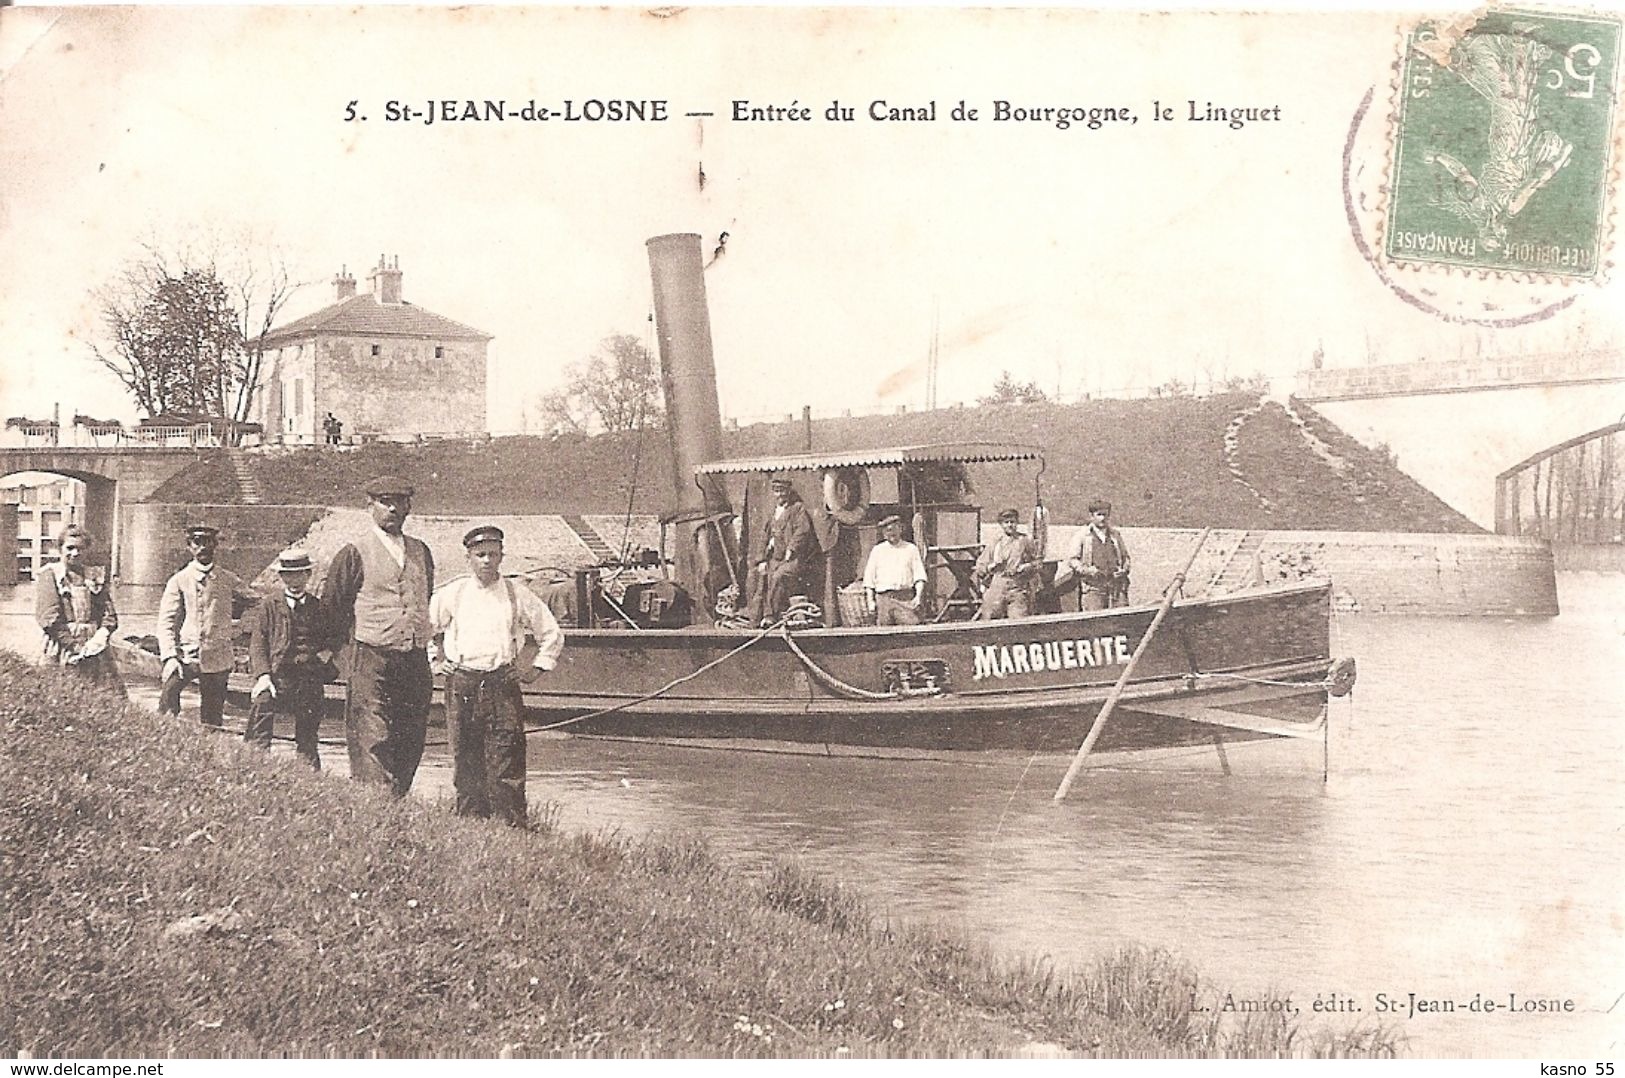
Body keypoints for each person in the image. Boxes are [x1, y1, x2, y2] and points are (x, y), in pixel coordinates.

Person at [429, 525, 565, 827]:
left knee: (508, 756)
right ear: (468, 558)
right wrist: (436, 661)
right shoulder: (454, 593)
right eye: (480, 555)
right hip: (462, 682)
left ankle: (511, 825)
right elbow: (424, 627)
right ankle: (469, 824)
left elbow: (551, 632)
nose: (487, 561)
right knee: (465, 757)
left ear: (502, 556)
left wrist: (536, 669)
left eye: (493, 554)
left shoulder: (518, 594)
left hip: (502, 682)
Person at [323, 475, 435, 796]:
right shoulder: (353, 553)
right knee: (372, 735)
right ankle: (374, 805)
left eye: (399, 502)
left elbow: (426, 597)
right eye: (385, 502)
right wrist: (341, 655)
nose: (392, 508)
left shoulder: (421, 552)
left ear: (409, 507)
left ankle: (396, 801)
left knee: (411, 735)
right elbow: (333, 607)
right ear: (369, 506)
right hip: (371, 658)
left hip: (414, 658)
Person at [158, 525, 259, 726]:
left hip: (218, 655)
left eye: (208, 542)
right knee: (167, 700)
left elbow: (257, 602)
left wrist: (239, 628)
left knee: (213, 716)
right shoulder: (179, 580)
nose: (203, 547)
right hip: (186, 655)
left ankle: (210, 748)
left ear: (215, 545)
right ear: (189, 547)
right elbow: (166, 621)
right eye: (197, 543)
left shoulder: (227, 579)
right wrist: (169, 656)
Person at [245, 548, 336, 768]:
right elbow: (258, 643)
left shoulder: (318, 607)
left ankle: (309, 776)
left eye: (299, 574)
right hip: (278, 677)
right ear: (282, 577)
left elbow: (334, 637)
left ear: (308, 575)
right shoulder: (270, 605)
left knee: (308, 740)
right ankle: (255, 767)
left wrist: (325, 657)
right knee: (260, 715)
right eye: (288, 574)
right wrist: (263, 676)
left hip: (308, 679)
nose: (294, 579)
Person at [35, 524, 123, 693]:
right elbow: (49, 618)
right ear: (60, 548)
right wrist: (76, 647)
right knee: (62, 694)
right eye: (70, 548)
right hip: (62, 645)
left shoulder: (94, 576)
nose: (75, 553)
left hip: (94, 646)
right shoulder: (50, 576)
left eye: (80, 549)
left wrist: (101, 635)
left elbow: (109, 613)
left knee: (105, 694)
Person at [749, 477, 817, 626]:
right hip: (775, 558)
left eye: (782, 491)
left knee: (778, 576)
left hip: (794, 560)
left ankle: (770, 616)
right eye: (776, 491)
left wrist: (792, 548)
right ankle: (753, 618)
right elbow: (764, 536)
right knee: (757, 575)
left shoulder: (798, 508)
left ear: (788, 492)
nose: (779, 495)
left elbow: (803, 530)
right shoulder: (772, 512)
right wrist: (761, 560)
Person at [1065, 498, 1132, 610]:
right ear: (1091, 516)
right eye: (1099, 515)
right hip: (1093, 588)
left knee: (1121, 619)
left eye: (1106, 515)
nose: (1103, 518)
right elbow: (1072, 560)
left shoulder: (1115, 535)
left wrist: (1123, 570)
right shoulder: (1082, 536)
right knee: (1094, 622)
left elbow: (1126, 557)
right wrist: (1088, 570)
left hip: (1116, 587)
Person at [974, 508, 1041, 620]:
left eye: (1012, 522)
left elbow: (1038, 563)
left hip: (1017, 586)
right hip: (997, 585)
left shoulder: (1025, 541)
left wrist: (1027, 567)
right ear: (1001, 524)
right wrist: (991, 567)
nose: (1010, 525)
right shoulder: (995, 543)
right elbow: (980, 567)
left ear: (1017, 523)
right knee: (989, 619)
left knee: (1019, 621)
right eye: (1006, 522)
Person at [862, 514, 928, 626]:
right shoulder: (878, 551)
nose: (891, 533)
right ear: (883, 534)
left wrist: (918, 597)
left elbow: (919, 576)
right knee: (884, 636)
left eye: (894, 529)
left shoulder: (911, 549)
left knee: (911, 630)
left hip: (905, 599)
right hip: (884, 600)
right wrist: (870, 601)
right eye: (887, 531)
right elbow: (869, 580)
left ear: (901, 529)